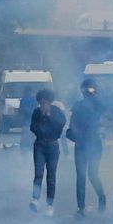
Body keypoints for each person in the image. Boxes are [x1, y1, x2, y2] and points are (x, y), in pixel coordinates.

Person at [68, 78, 107, 218]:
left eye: (90, 89)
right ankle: (80, 208)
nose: (88, 92)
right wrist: (76, 133)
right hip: (81, 145)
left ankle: (102, 198)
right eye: (86, 89)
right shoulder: (78, 106)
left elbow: (107, 117)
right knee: (81, 177)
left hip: (94, 144)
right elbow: (72, 124)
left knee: (92, 175)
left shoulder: (99, 105)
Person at [29, 89, 66, 217]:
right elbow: (32, 127)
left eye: (45, 103)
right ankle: (35, 200)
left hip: (53, 146)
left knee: (51, 177)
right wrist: (41, 121)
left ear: (49, 102)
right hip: (39, 145)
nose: (42, 105)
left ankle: (50, 205)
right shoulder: (36, 113)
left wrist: (49, 116)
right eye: (41, 103)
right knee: (38, 173)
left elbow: (61, 124)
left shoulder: (56, 112)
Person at [18, 86, 37, 156]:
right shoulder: (35, 100)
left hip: (26, 124)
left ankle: (24, 156)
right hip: (34, 124)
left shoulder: (23, 100)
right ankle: (33, 155)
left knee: (24, 142)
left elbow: (20, 112)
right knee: (34, 141)